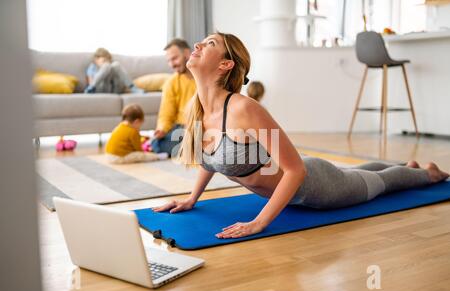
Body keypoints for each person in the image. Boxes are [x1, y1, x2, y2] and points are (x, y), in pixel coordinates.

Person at [152, 32, 449, 239]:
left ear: (225, 64)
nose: (197, 44)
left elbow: (295, 169)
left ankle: (428, 174)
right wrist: (191, 199)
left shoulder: (244, 108)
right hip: (307, 180)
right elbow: (210, 158)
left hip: (318, 188)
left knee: (378, 184)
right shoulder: (197, 109)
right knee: (356, 173)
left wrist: (259, 222)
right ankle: (407, 167)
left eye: (210, 43)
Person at [150, 39, 197, 157]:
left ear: (187, 53)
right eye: (169, 61)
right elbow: (166, 114)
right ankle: (198, 147)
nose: (172, 64)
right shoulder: (171, 83)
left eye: (174, 58)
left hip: (206, 126)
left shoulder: (206, 76)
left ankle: (195, 147)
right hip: (183, 129)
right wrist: (162, 129)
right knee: (157, 143)